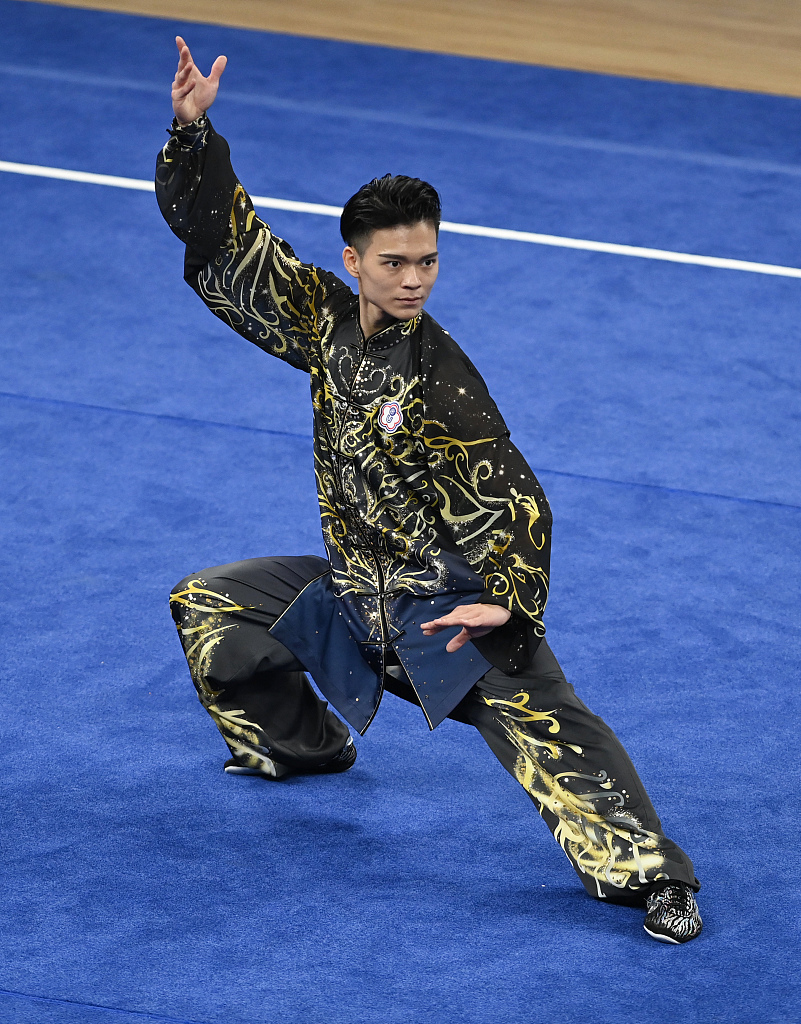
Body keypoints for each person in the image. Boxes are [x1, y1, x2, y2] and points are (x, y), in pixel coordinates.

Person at [157, 36, 703, 944]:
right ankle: (297, 749)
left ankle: (654, 879)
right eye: (395, 263)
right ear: (353, 262)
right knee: (208, 606)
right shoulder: (323, 323)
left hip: (436, 614)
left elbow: (517, 497)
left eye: (428, 263)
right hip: (345, 595)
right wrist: (194, 137)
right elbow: (230, 250)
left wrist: (505, 600)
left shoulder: (442, 379)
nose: (412, 280)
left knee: (556, 737)